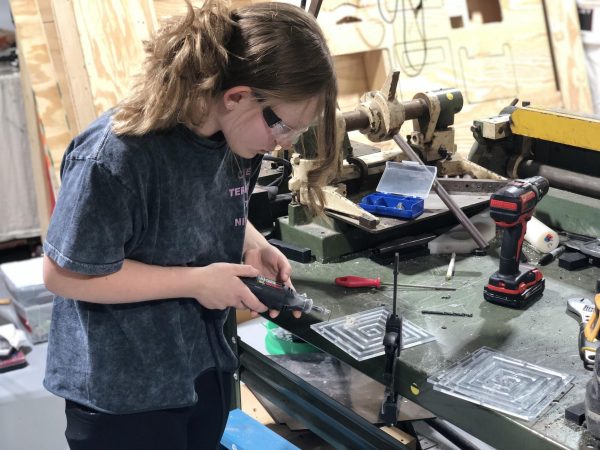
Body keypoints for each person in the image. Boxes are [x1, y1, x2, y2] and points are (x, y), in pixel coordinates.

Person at [41, 1, 338, 449]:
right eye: (284, 128)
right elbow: (64, 274)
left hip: (201, 363)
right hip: (123, 393)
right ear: (237, 96)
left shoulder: (233, 138)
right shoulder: (115, 157)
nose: (283, 145)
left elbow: (211, 203)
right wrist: (197, 283)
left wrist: (251, 244)